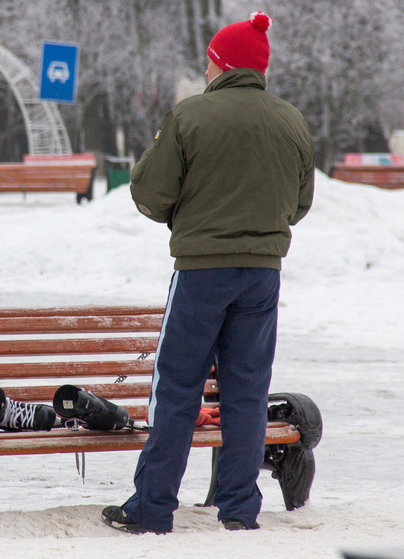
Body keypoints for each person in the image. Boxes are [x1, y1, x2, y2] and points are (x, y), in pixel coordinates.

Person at [101, 11, 315, 534]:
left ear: (221, 65)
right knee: (246, 390)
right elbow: (300, 204)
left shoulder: (190, 116)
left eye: (210, 62)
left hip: (201, 272)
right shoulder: (291, 121)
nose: (205, 70)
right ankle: (240, 510)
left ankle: (152, 509)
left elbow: (150, 195)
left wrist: (185, 215)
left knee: (178, 387)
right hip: (262, 276)